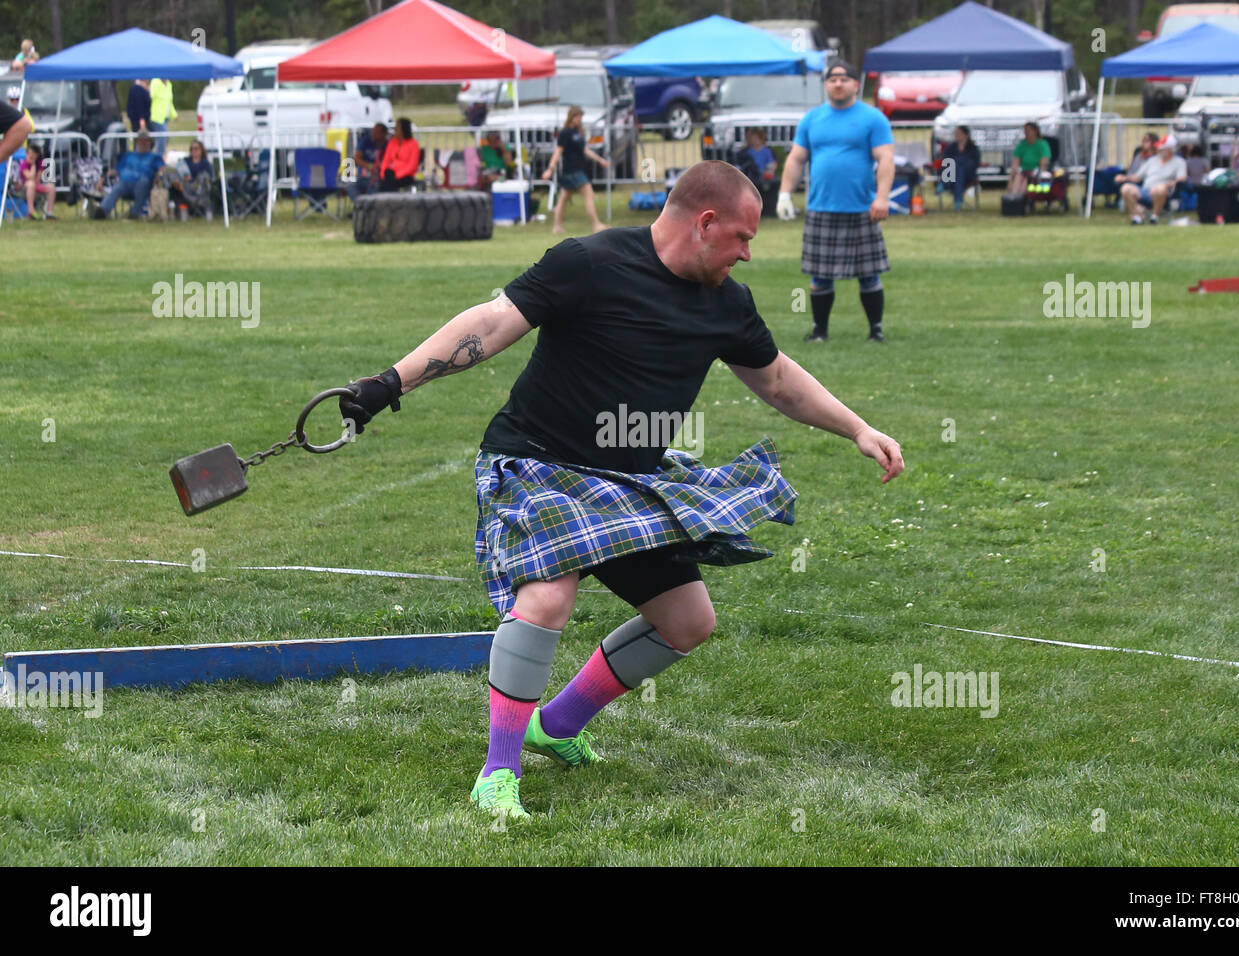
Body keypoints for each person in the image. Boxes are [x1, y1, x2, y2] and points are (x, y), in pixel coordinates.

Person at [336, 160, 905, 821]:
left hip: (630, 481)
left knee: (690, 623)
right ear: (706, 222)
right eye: (742, 238)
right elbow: (490, 325)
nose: (748, 253)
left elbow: (776, 380)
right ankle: (499, 770)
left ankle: (559, 723)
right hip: (538, 461)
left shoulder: (727, 303)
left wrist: (857, 429)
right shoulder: (589, 262)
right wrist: (386, 385)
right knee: (549, 596)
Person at [777, 57, 895, 344]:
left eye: (844, 79)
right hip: (821, 208)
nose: (838, 84)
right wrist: (784, 194)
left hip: (861, 208)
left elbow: (885, 159)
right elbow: (796, 158)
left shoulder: (873, 118)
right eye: (832, 79)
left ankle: (875, 330)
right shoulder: (812, 119)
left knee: (869, 274)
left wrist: (881, 198)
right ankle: (819, 331)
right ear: (826, 85)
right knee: (819, 276)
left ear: (856, 84)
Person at [540, 106, 609, 235]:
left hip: (578, 169)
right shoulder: (565, 133)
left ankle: (557, 227)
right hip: (571, 170)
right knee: (589, 194)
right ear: (572, 117)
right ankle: (596, 225)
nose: (580, 119)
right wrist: (550, 169)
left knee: (564, 198)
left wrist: (600, 160)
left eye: (581, 117)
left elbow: (585, 150)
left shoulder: (578, 133)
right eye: (578, 117)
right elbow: (558, 152)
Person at [1115, 133, 1186, 225]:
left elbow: (1182, 178)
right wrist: (1124, 178)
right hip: (1145, 190)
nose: (1159, 150)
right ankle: (1137, 216)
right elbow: (1137, 177)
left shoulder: (1179, 162)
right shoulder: (1152, 160)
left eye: (1162, 148)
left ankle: (1154, 217)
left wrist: (1167, 185)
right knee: (1125, 188)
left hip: (1163, 191)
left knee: (1160, 188)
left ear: (1170, 149)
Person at [91, 131, 165, 219]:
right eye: (141, 141)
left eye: (146, 141)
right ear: (137, 142)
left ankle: (135, 212)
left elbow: (162, 168)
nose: (143, 143)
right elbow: (115, 171)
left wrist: (158, 175)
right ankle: (102, 210)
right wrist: (102, 179)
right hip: (125, 182)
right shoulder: (128, 155)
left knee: (143, 183)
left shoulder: (154, 157)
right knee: (117, 187)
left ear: (150, 143)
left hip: (143, 183)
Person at [938, 125, 980, 210]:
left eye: (959, 133)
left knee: (959, 164)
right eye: (956, 133)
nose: (956, 135)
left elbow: (975, 163)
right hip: (953, 174)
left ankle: (944, 184)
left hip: (968, 175)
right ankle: (958, 201)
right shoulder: (951, 147)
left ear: (966, 135)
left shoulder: (973, 148)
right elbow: (945, 161)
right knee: (958, 169)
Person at [169, 140, 213, 221]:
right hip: (184, 186)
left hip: (200, 189)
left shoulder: (205, 163)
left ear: (201, 150)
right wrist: (184, 177)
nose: (194, 151)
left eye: (196, 148)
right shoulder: (185, 161)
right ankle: (177, 210)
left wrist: (192, 178)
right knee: (172, 175)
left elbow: (208, 177)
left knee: (203, 177)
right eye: (192, 149)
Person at [1007, 121, 1050, 199]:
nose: (1026, 133)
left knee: (1025, 182)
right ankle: (1014, 199)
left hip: (1035, 173)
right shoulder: (1022, 145)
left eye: (1028, 130)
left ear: (1035, 131)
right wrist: (1011, 179)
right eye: (1025, 131)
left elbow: (1044, 161)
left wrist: (1040, 174)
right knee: (1017, 178)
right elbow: (1015, 162)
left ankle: (1020, 198)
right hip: (1024, 171)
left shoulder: (1042, 144)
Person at [347, 122, 388, 200]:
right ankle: (360, 206)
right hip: (362, 176)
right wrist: (368, 166)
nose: (374, 134)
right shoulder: (365, 141)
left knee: (373, 187)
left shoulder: (387, 145)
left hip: (377, 177)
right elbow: (356, 158)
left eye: (377, 132)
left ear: (384, 134)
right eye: (374, 131)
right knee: (351, 185)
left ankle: (368, 208)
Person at [378, 117, 419, 191]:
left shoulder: (413, 144)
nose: (395, 129)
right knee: (387, 177)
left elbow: (412, 166)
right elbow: (386, 160)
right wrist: (382, 173)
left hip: (405, 175)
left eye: (397, 127)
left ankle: (387, 200)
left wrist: (398, 175)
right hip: (390, 174)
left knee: (388, 183)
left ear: (404, 129)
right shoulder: (392, 142)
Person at [19, 141, 56, 219]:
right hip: (24, 188)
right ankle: (31, 211)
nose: (31, 155)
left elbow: (37, 180)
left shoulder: (39, 164)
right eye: (29, 153)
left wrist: (35, 165)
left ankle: (49, 212)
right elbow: (29, 177)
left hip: (36, 186)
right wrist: (32, 165)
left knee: (51, 186)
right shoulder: (24, 164)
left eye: (33, 153)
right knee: (30, 184)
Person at [0, 94, 34, 164]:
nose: (15, 102)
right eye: (12, 100)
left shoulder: (23, 110)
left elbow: (26, 125)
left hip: (20, 149)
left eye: (17, 99)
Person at [149, 78, 178, 156]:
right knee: (163, 136)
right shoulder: (155, 82)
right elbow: (150, 97)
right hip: (156, 116)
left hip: (165, 117)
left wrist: (174, 114)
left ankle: (158, 155)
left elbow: (169, 102)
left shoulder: (169, 84)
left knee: (164, 137)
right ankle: (159, 157)